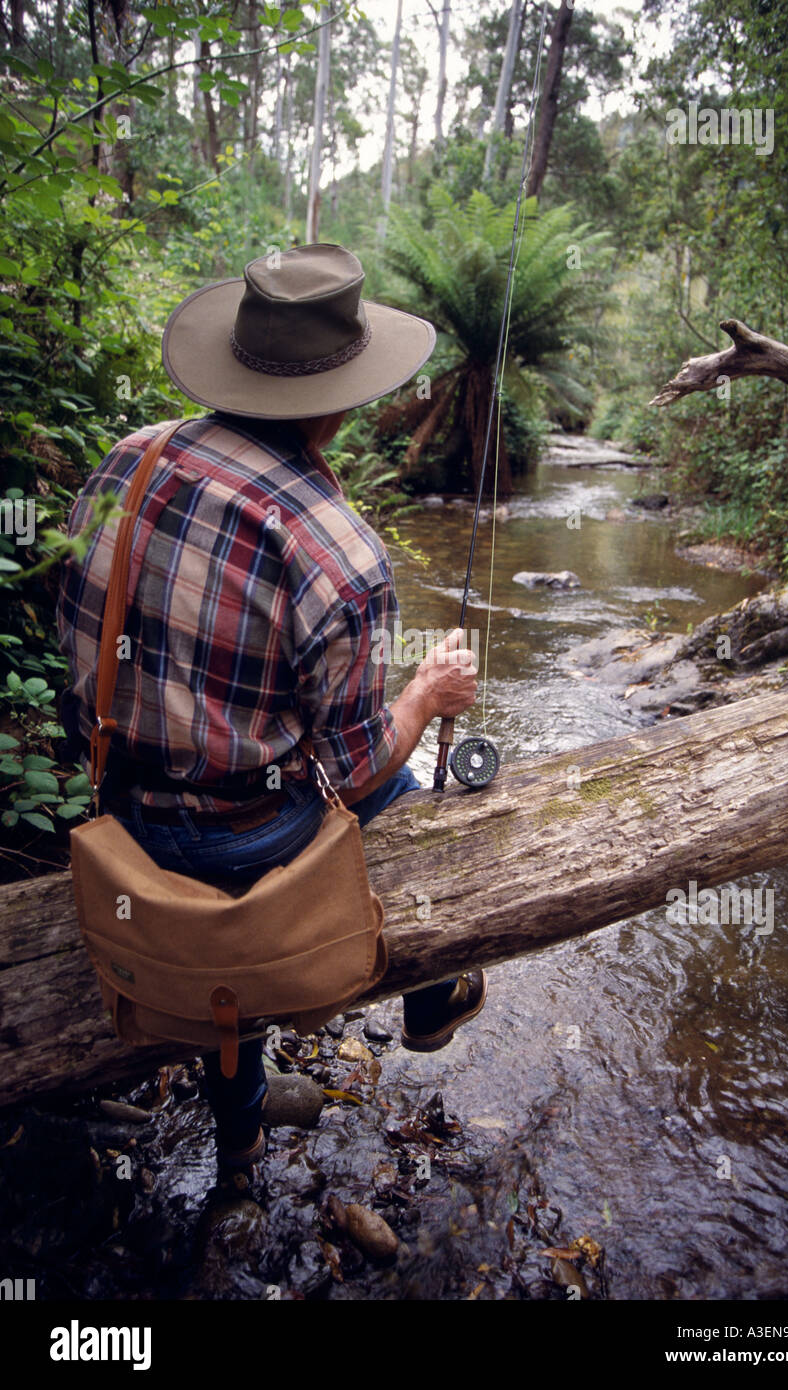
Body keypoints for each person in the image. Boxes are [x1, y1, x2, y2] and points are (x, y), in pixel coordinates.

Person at [56, 244, 488, 1180]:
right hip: (244, 847)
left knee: (231, 974)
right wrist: (426, 694)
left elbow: (72, 642)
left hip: (117, 812)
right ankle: (433, 995)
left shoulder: (131, 458)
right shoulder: (341, 554)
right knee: (402, 789)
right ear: (348, 392)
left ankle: (241, 1141)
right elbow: (361, 768)